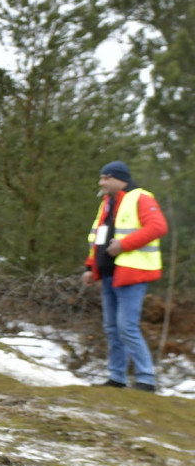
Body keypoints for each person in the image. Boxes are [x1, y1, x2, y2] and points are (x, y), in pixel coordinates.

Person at [82, 160, 167, 393]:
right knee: (112, 327)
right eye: (101, 178)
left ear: (121, 179)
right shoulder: (107, 203)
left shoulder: (140, 197)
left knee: (126, 327)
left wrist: (124, 245)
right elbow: (97, 238)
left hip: (132, 274)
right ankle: (117, 377)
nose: (102, 182)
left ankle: (146, 379)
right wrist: (90, 267)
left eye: (106, 178)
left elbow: (158, 227)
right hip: (109, 274)